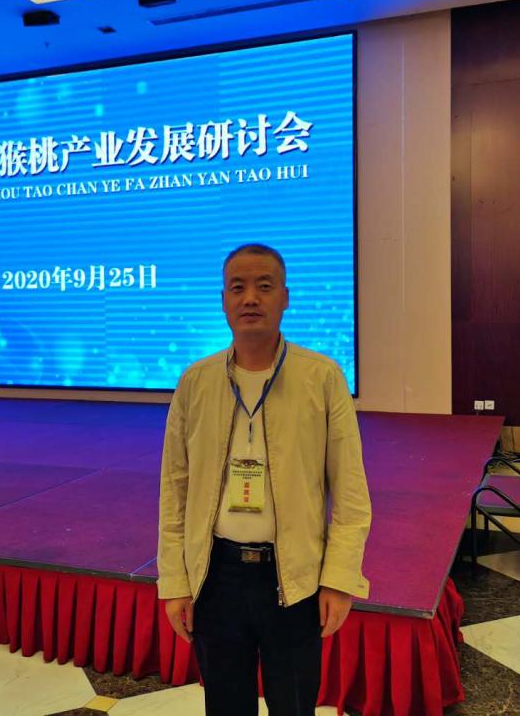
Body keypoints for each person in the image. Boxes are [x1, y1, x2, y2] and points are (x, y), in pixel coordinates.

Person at [157, 243, 372, 716]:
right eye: (238, 287)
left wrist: (339, 579)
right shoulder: (195, 382)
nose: (250, 298)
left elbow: (351, 492)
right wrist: (175, 581)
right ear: (223, 301)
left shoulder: (323, 378)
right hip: (216, 577)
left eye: (264, 286)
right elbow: (174, 490)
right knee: (225, 706)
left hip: (294, 577)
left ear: (285, 298)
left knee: (293, 706)